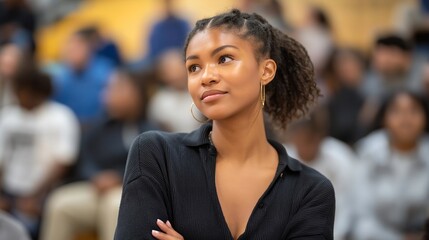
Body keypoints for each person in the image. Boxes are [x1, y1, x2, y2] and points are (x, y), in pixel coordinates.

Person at [115, 9, 335, 240]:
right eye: (194, 67)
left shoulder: (311, 191)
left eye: (224, 59)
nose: (206, 76)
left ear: (266, 70)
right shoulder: (156, 155)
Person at [41, 69, 159, 240]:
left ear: (137, 93)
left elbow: (150, 168)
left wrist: (119, 177)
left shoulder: (152, 129)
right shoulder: (99, 127)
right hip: (98, 190)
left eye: (116, 88)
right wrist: (96, 177)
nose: (107, 94)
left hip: (131, 193)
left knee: (114, 205)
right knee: (60, 203)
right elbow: (85, 160)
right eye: (107, 88)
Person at [0, 62, 79, 238]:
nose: (17, 95)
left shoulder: (61, 116)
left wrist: (35, 198)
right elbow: (1, 162)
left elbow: (63, 163)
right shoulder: (8, 117)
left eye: (21, 90)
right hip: (10, 192)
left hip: (45, 195)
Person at [353, 90, 429, 240]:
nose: (405, 119)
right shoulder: (368, 152)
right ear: (384, 118)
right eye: (397, 111)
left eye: (414, 111)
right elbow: (360, 219)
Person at [283, 108, 356, 240]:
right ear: (293, 136)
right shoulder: (281, 160)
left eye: (312, 136)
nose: (308, 142)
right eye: (302, 136)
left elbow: (346, 209)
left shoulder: (341, 158)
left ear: (321, 136)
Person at [148, 49, 201, 132]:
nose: (175, 74)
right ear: (162, 74)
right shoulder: (159, 100)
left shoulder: (198, 91)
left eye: (178, 67)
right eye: (170, 69)